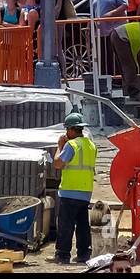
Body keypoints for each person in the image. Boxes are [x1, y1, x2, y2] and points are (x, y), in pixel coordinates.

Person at [53, 113, 97, 264]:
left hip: (70, 191)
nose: (66, 133)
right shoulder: (91, 145)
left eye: (67, 130)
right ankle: (84, 254)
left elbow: (58, 163)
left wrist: (60, 146)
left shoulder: (71, 145)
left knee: (66, 225)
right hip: (85, 192)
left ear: (72, 129)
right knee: (83, 225)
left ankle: (63, 255)